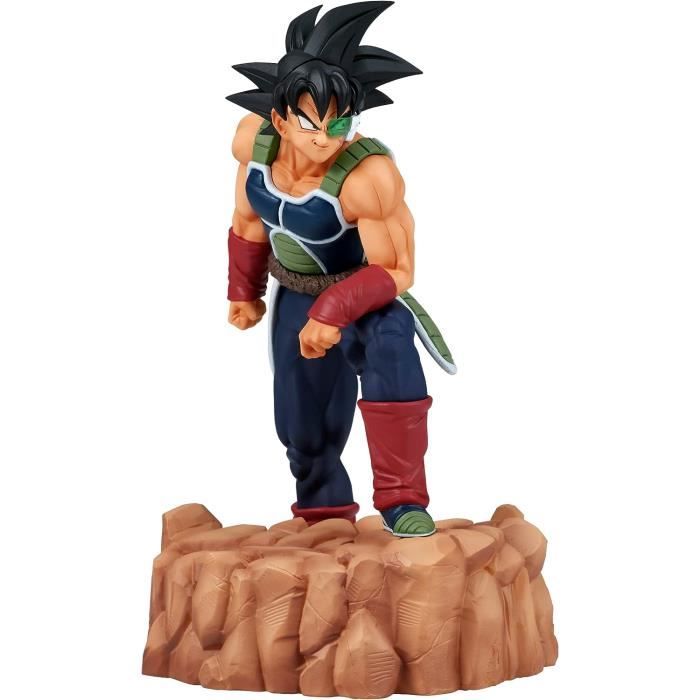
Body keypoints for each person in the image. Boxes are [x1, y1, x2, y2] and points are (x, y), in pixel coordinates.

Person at [226, 2, 455, 537]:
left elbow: (397, 268)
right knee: (301, 419)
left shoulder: (367, 177)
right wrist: (243, 288)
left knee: (393, 351)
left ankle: (403, 501)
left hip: (365, 296)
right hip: (295, 293)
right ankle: (323, 512)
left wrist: (334, 310)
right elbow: (247, 219)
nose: (325, 137)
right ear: (280, 118)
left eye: (341, 122)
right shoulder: (254, 147)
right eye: (310, 121)